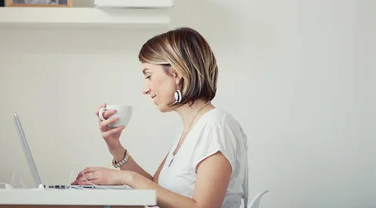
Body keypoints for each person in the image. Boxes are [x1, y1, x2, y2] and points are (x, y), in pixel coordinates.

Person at [72, 27, 249, 208]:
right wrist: (115, 148)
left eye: (149, 76)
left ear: (176, 73)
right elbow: (156, 189)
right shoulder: (190, 129)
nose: (145, 89)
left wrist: (124, 177)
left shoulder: (217, 126)